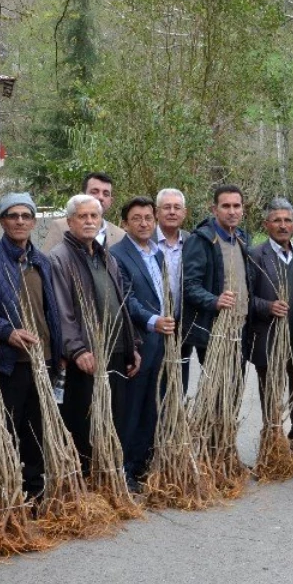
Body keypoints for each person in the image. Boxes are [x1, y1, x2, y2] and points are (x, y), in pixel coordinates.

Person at [0, 192, 64, 500]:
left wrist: (58, 352)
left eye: (26, 216)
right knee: (6, 429)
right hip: (9, 362)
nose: (20, 221)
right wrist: (6, 331)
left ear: (34, 222)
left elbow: (51, 311)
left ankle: (35, 496)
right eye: (13, 215)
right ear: (2, 221)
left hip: (43, 360)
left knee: (36, 431)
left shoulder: (42, 261)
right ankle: (6, 494)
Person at [49, 194, 139, 475]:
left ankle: (108, 476)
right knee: (84, 420)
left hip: (114, 351)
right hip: (86, 356)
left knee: (113, 417)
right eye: (82, 216)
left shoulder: (105, 256)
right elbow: (62, 310)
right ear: (69, 221)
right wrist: (76, 349)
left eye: (94, 216)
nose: (89, 221)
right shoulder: (59, 258)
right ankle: (86, 480)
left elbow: (120, 303)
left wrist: (132, 344)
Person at [249, 198, 293, 467]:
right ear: (266, 224)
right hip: (268, 338)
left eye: (287, 220)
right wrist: (267, 306)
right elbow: (245, 300)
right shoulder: (255, 256)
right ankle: (273, 447)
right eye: (276, 220)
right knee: (271, 395)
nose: (282, 225)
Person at [112, 196, 175, 487]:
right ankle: (124, 469)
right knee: (132, 408)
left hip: (162, 342)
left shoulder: (158, 254)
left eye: (148, 217)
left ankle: (142, 465)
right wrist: (153, 320)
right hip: (137, 341)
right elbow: (127, 299)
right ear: (125, 223)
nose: (144, 223)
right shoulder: (117, 255)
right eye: (136, 218)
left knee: (154, 405)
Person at [182, 184, 255, 364]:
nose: (232, 211)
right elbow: (189, 285)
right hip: (214, 330)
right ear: (214, 209)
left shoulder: (242, 239)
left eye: (236, 206)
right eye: (226, 206)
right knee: (216, 390)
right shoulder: (201, 240)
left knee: (236, 387)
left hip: (241, 328)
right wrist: (215, 301)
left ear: (243, 209)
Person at [153, 187, 192, 387]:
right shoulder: (145, 239)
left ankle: (176, 418)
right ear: (157, 212)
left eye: (177, 207)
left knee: (178, 383)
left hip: (182, 325)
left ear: (184, 213)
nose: (172, 212)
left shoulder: (191, 241)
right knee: (153, 384)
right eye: (166, 207)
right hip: (153, 325)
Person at [43, 172, 126, 252]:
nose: (101, 197)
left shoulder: (120, 235)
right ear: (82, 195)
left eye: (106, 194)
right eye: (94, 192)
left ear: (111, 201)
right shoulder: (61, 227)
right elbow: (45, 264)